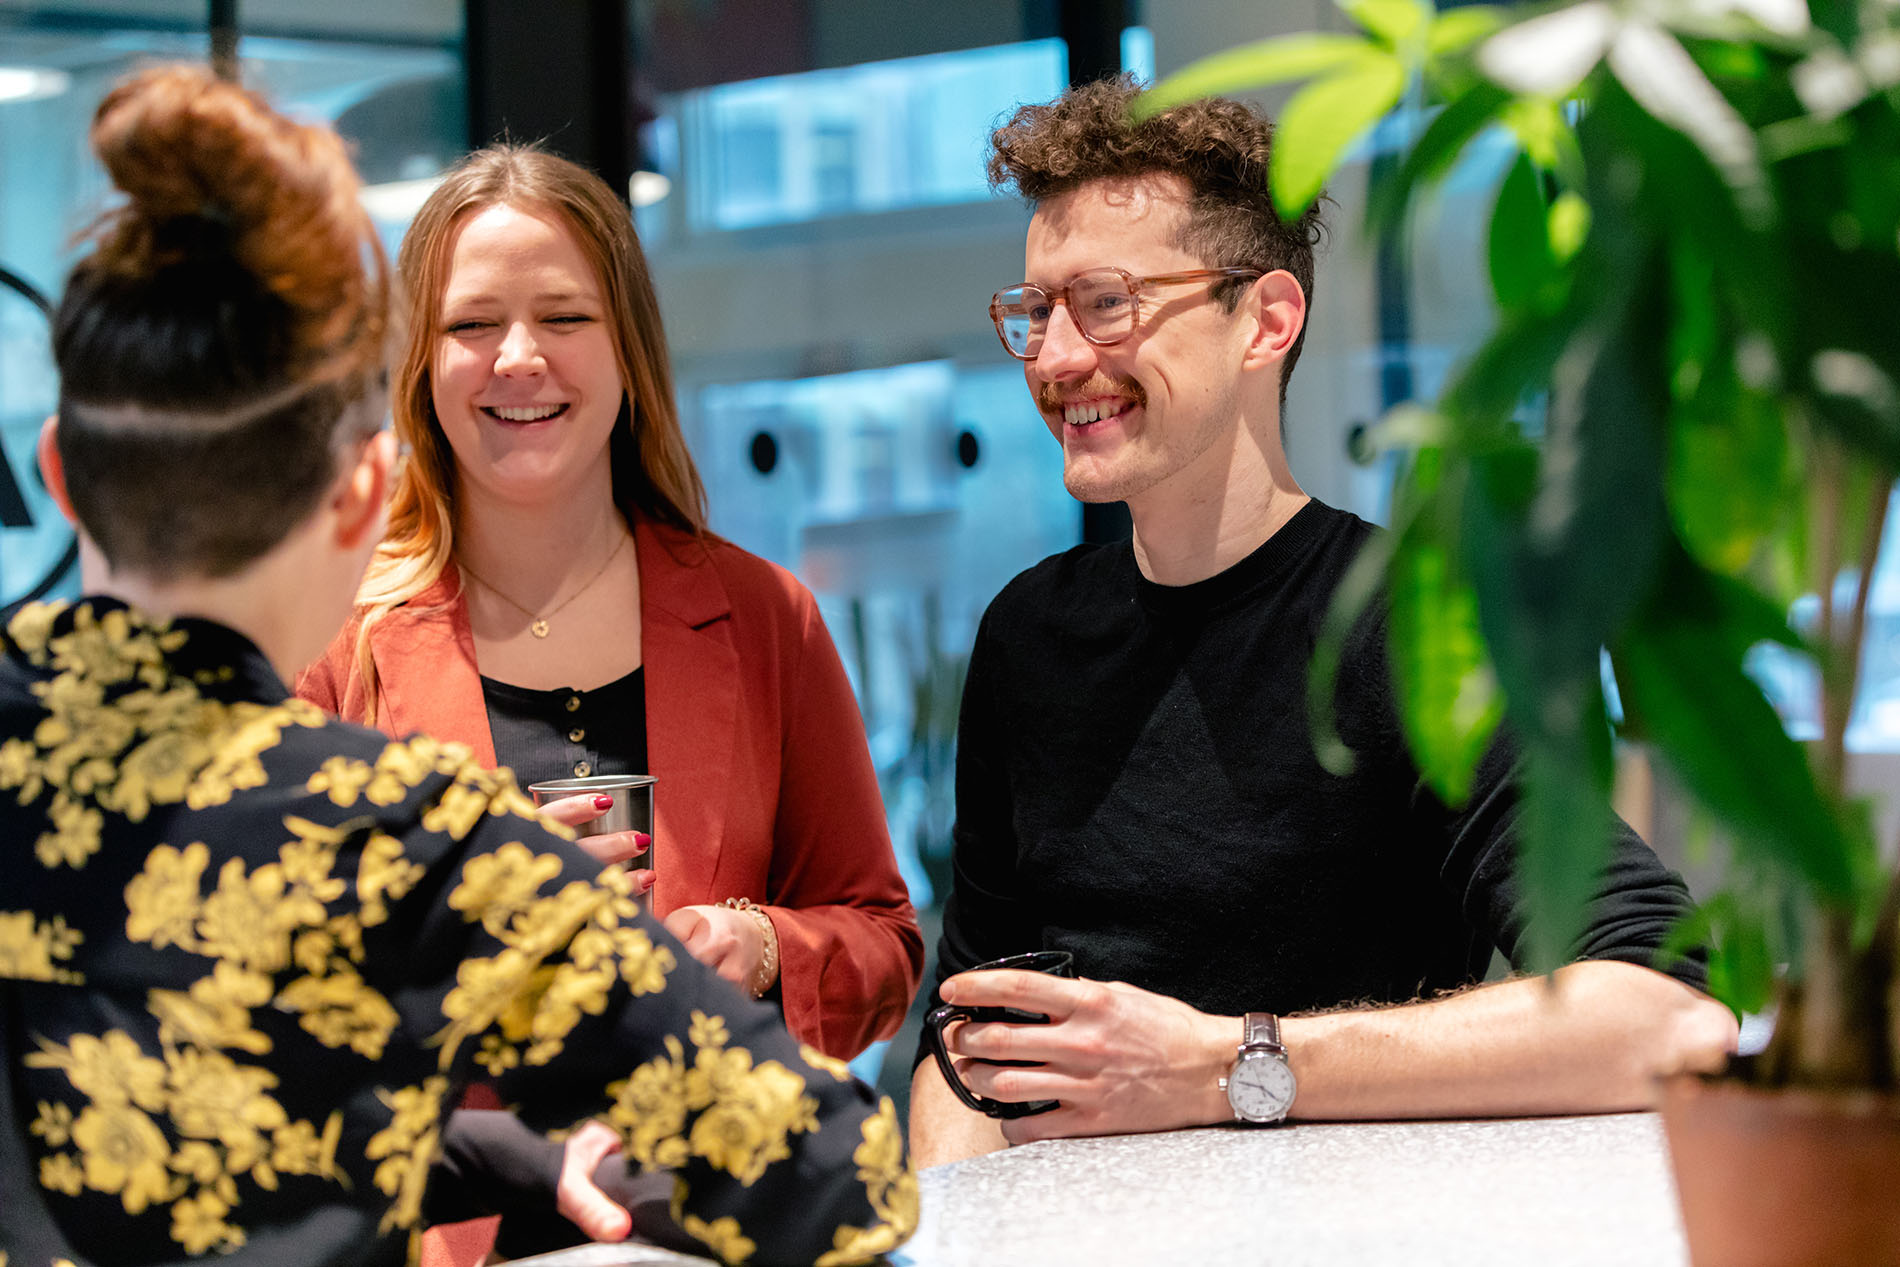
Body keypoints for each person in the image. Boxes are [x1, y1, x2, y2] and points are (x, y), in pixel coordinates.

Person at [0, 64, 915, 1266]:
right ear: (360, 493)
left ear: (60, 474)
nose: (518, 357)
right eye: (471, 326)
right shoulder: (396, 829)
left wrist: (492, 1153)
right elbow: (827, 1170)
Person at [908, 75, 1740, 1166]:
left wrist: (1223, 1065)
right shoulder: (1029, 634)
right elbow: (965, 1042)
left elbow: (1668, 1018)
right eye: (1035, 313)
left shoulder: (1408, 619)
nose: (1057, 359)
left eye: (1104, 302)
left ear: (1264, 321)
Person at [296, 145, 920, 1063]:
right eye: (472, 323)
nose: (518, 357)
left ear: (627, 346)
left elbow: (885, 947)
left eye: (563, 315)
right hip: (446, 1198)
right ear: (421, 363)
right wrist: (454, 929)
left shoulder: (763, 615)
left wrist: (762, 947)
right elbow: (254, 977)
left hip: (709, 1189)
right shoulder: (332, 634)